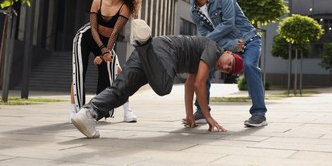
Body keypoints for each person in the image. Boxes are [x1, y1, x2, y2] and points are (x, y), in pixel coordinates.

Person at [71, 19, 244, 138]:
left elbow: (190, 84)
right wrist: (208, 116)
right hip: (165, 51)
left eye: (229, 70)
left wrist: (190, 116)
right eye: (230, 63)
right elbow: (199, 84)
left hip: (152, 56)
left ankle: (88, 112)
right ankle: (145, 43)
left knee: (122, 89)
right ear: (228, 53)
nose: (226, 67)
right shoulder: (213, 49)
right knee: (163, 87)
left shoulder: (206, 58)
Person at [185, 0, 268, 127]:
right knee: (204, 68)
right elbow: (207, 39)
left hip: (248, 39)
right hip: (226, 46)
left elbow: (228, 23)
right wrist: (229, 45)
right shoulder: (194, 13)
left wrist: (207, 40)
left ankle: (259, 114)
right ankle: (201, 111)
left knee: (250, 66)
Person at [70, 0, 141, 123]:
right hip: (87, 37)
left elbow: (115, 32)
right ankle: (76, 112)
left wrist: (105, 53)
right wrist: (102, 50)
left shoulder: (125, 7)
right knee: (79, 72)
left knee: (116, 74)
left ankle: (124, 111)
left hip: (108, 42)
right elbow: (93, 28)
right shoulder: (98, 1)